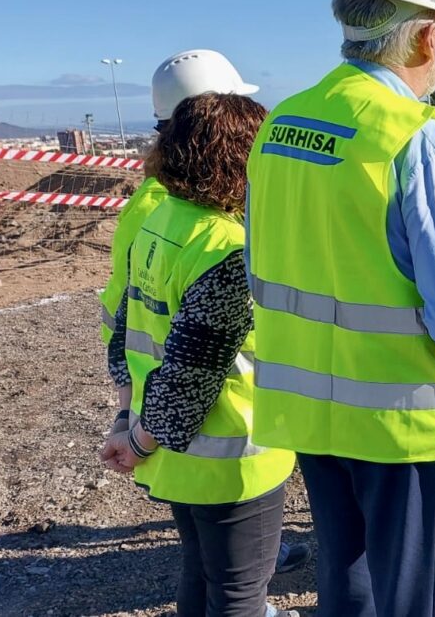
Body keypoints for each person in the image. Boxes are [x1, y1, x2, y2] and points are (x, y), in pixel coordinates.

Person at [246, 0, 435, 616]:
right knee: (417, 601)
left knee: (348, 587)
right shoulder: (417, 136)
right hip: (403, 426)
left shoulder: (280, 125)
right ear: (427, 39)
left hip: (309, 413)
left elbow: (260, 267)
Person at [98, 49, 310, 575]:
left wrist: (129, 421)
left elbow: (125, 323)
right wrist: (138, 439)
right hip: (229, 455)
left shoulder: (160, 214)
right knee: (237, 592)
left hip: (173, 448)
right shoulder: (226, 245)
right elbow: (192, 372)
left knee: (202, 571)